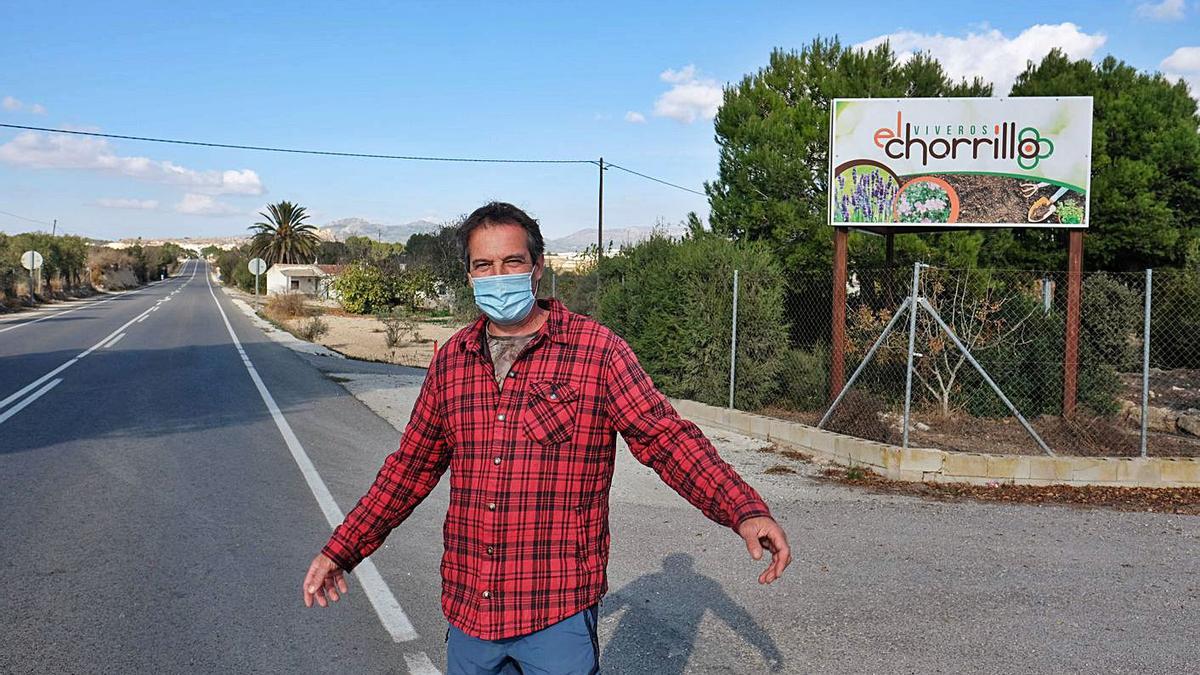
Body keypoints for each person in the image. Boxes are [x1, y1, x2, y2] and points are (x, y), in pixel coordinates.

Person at [302, 202, 791, 674]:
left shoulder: (597, 352)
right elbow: (409, 469)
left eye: (512, 261)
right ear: (470, 275)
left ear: (537, 268)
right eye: (484, 265)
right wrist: (342, 549)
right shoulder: (452, 360)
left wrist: (743, 509)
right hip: (470, 610)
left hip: (554, 610)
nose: (499, 275)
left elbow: (665, 438)